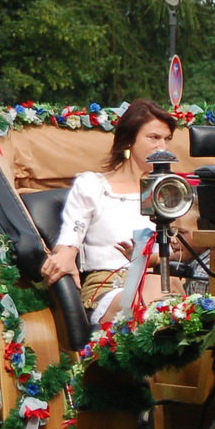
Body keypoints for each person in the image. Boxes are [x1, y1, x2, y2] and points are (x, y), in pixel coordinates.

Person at [41, 101, 179, 325]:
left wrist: (145, 258)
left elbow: (178, 248)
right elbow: (69, 239)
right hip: (108, 287)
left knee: (172, 293)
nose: (162, 147)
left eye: (167, 139)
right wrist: (65, 254)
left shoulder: (168, 190)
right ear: (129, 140)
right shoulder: (93, 186)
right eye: (154, 138)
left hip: (156, 281)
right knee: (152, 299)